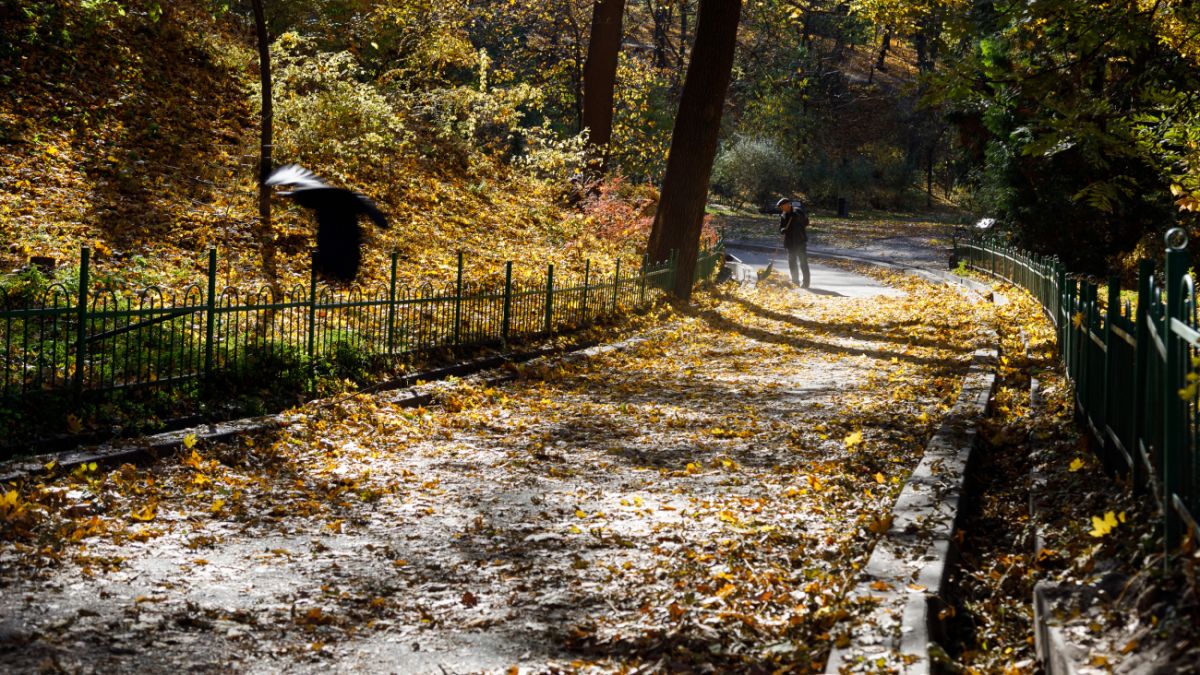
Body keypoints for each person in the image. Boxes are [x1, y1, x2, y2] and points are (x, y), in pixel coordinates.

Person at [778, 197, 810, 288]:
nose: (782, 208)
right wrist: (782, 230)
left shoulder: (798, 212)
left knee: (803, 263)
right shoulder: (783, 215)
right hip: (790, 243)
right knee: (792, 263)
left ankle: (806, 283)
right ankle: (795, 282)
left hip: (800, 241)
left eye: (782, 206)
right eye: (781, 207)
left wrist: (798, 218)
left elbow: (806, 222)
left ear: (788, 204)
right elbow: (781, 228)